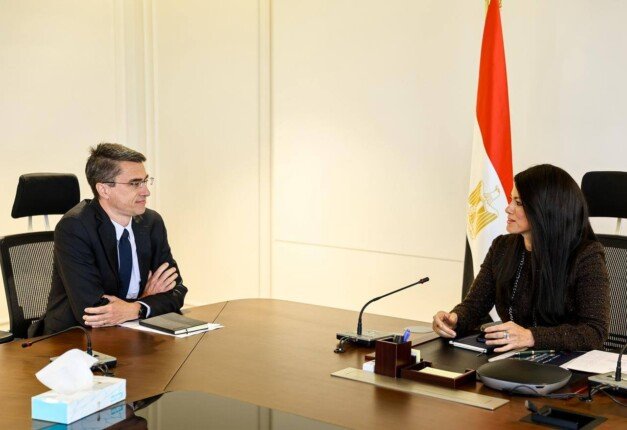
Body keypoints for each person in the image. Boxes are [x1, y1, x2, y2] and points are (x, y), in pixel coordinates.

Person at [432, 164, 609, 352]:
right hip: (514, 357)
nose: (508, 208)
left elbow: (594, 332)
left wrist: (531, 337)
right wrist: (454, 319)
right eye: (511, 199)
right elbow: (475, 305)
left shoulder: (586, 256)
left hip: (566, 362)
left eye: (518, 203)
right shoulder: (502, 247)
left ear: (545, 208)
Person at [41, 143, 187, 334]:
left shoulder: (151, 222)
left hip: (136, 332)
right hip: (75, 337)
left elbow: (176, 291)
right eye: (134, 183)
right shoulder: (75, 227)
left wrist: (135, 308)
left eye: (145, 181)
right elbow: (93, 311)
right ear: (104, 189)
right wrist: (145, 300)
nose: (146, 191)